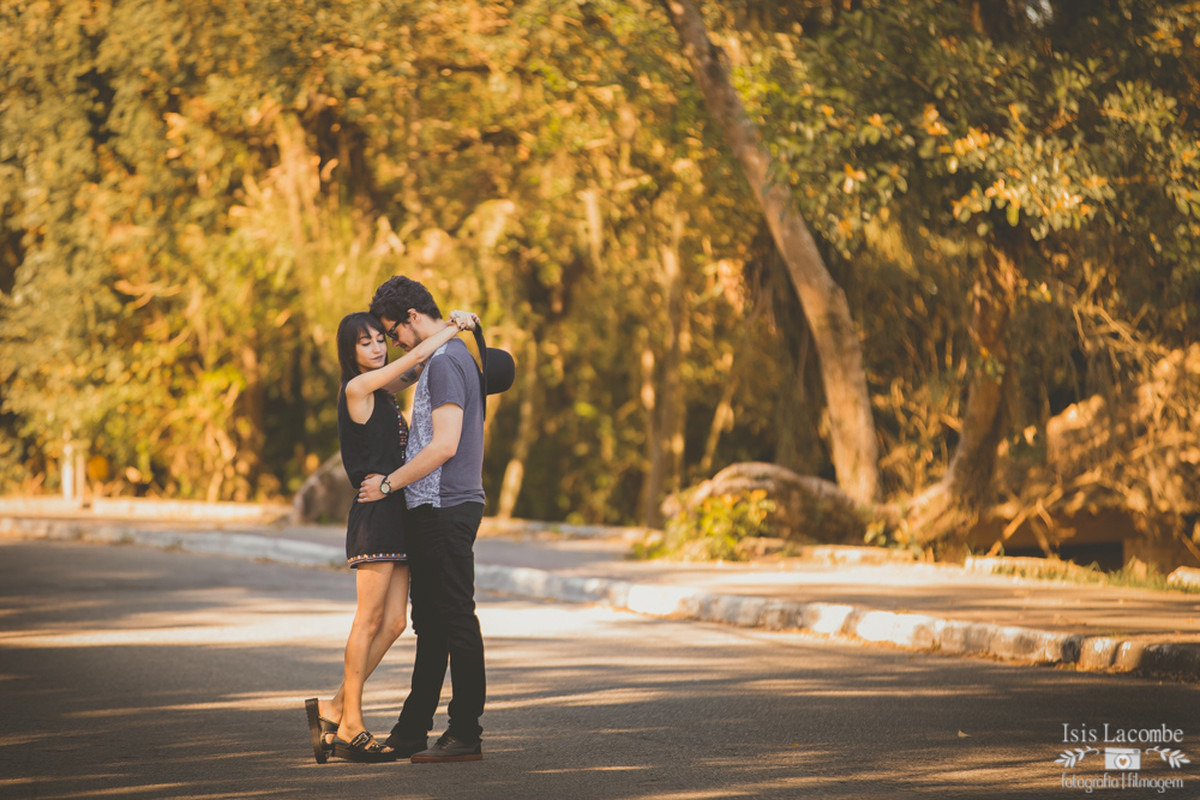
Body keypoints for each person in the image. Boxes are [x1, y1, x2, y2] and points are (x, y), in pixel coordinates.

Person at [305, 308, 476, 764]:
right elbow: (417, 356)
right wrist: (451, 327)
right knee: (367, 620)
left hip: (394, 512)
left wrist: (451, 335)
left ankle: (335, 705)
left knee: (396, 622)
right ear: (350, 352)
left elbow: (419, 367)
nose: (379, 348)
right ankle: (351, 726)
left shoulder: (382, 391)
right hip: (374, 517)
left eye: (381, 338)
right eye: (367, 343)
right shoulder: (357, 389)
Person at [357, 275, 489, 763]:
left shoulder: (448, 363)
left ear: (412, 318)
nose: (392, 344)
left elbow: (445, 444)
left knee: (454, 618)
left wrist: (389, 483)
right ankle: (413, 730)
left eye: (392, 333)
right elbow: (391, 380)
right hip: (433, 506)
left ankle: (465, 733)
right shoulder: (439, 357)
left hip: (446, 505)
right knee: (431, 623)